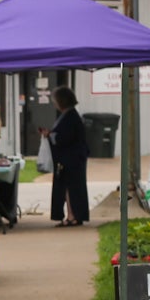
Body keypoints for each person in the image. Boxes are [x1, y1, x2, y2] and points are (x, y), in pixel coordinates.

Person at [46, 83, 91, 226]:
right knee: (69, 188)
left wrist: (51, 135)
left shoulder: (70, 117)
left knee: (72, 188)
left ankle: (74, 215)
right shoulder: (70, 116)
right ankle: (72, 215)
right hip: (72, 158)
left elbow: (65, 137)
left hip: (71, 159)